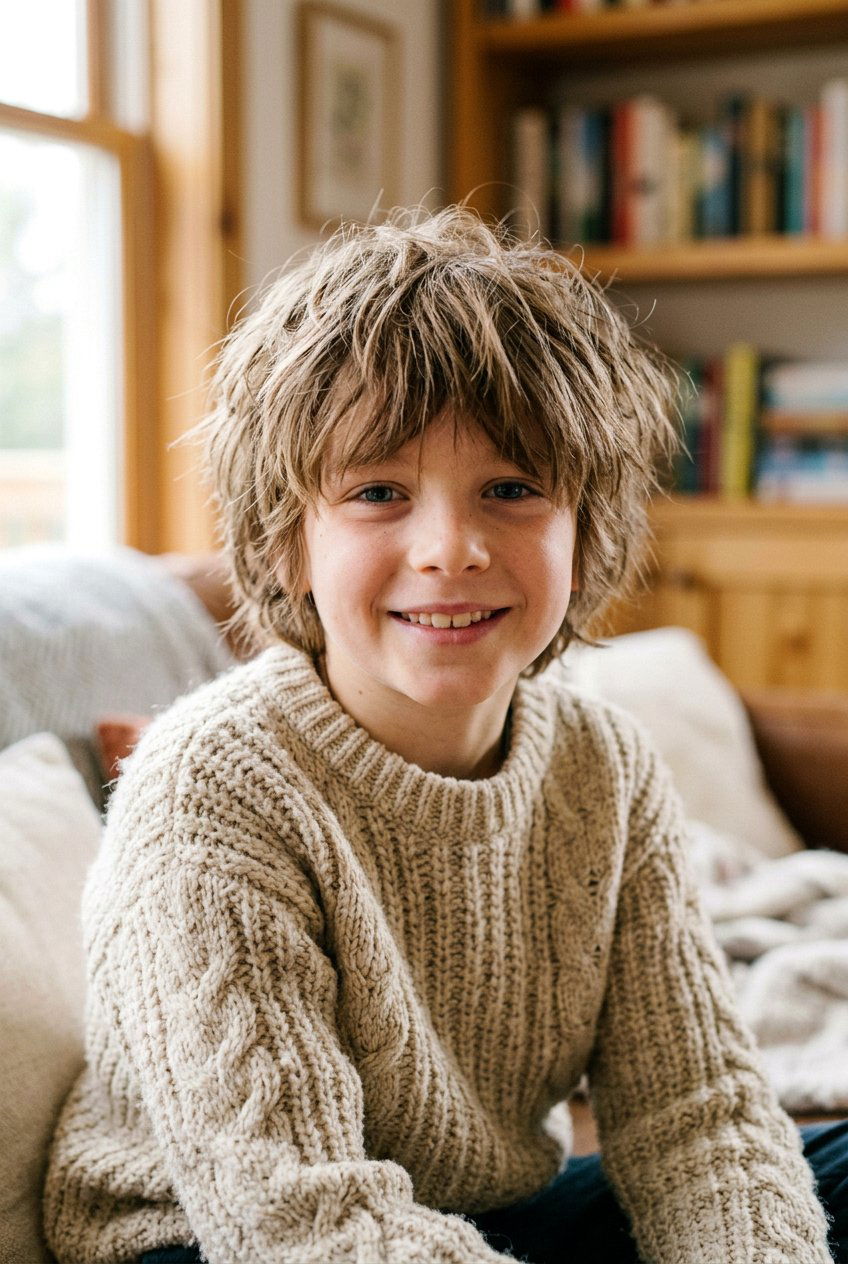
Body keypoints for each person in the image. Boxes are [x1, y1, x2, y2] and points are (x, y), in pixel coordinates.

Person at [43, 203, 846, 1264]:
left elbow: (692, 1111)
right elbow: (299, 1216)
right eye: (378, 492)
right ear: (289, 544)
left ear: (583, 529)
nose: (450, 548)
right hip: (219, 1236)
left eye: (509, 490)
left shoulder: (605, 768)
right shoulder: (211, 786)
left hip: (480, 1216)